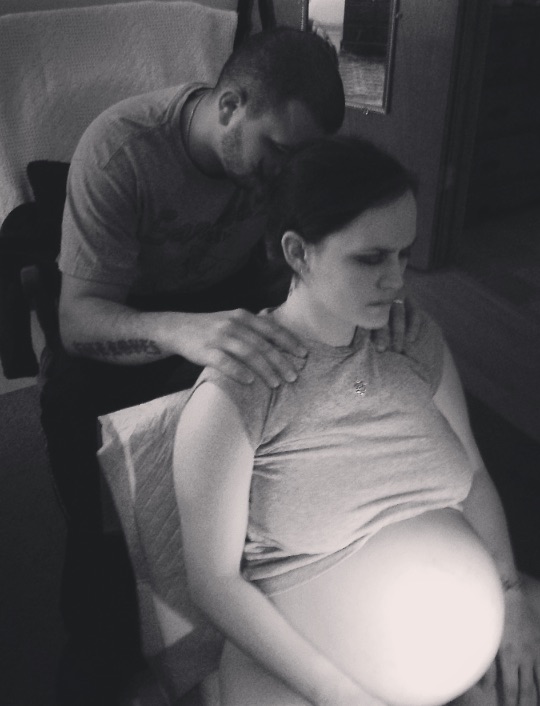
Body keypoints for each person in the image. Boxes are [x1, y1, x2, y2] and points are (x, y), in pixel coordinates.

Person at [173, 136, 540, 706]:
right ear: (299, 253)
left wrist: (511, 594)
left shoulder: (414, 340)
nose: (396, 281)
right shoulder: (240, 387)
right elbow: (213, 583)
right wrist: (337, 693)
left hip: (473, 653)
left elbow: (472, 473)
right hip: (312, 680)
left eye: (403, 254)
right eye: (371, 258)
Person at [44, 26, 350, 706]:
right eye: (278, 150)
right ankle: (97, 657)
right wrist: (180, 330)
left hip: (222, 302)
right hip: (120, 319)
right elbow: (77, 321)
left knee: (266, 476)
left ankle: (230, 630)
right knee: (102, 530)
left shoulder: (282, 160)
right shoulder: (121, 151)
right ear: (230, 106)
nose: (287, 172)